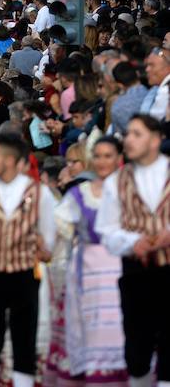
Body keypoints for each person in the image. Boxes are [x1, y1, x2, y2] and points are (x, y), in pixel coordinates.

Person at [0, 134, 57, 387]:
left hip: (24, 272)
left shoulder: (40, 195)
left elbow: (48, 242)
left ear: (10, 160)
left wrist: (41, 247)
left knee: (24, 338)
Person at [95, 114, 170, 387]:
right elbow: (107, 230)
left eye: (137, 134)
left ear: (156, 138)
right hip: (136, 271)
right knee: (137, 342)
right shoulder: (117, 181)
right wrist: (131, 242)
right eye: (128, 134)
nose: (128, 139)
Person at [47, 137, 127, 386]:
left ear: (118, 159)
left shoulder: (130, 191)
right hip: (87, 275)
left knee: (121, 334)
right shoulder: (79, 194)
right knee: (90, 334)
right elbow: (57, 230)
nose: (103, 161)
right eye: (99, 156)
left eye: (108, 156)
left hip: (123, 271)